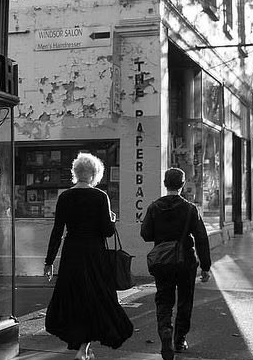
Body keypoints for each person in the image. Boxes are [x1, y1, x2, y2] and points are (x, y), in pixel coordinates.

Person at [43, 153, 133, 360]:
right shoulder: (100, 197)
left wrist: (49, 261)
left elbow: (57, 231)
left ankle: (82, 347)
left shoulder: (65, 197)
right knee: (95, 297)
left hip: (72, 253)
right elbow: (107, 231)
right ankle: (83, 348)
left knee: (75, 297)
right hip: (94, 254)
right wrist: (111, 220)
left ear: (75, 173)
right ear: (94, 173)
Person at [141, 168, 211, 360]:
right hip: (185, 260)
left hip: (163, 260)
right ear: (182, 185)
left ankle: (165, 331)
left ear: (165, 184)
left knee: (164, 299)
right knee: (185, 300)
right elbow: (201, 238)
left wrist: (162, 235)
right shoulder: (190, 208)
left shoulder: (154, 207)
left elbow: (145, 234)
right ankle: (179, 339)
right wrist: (206, 266)